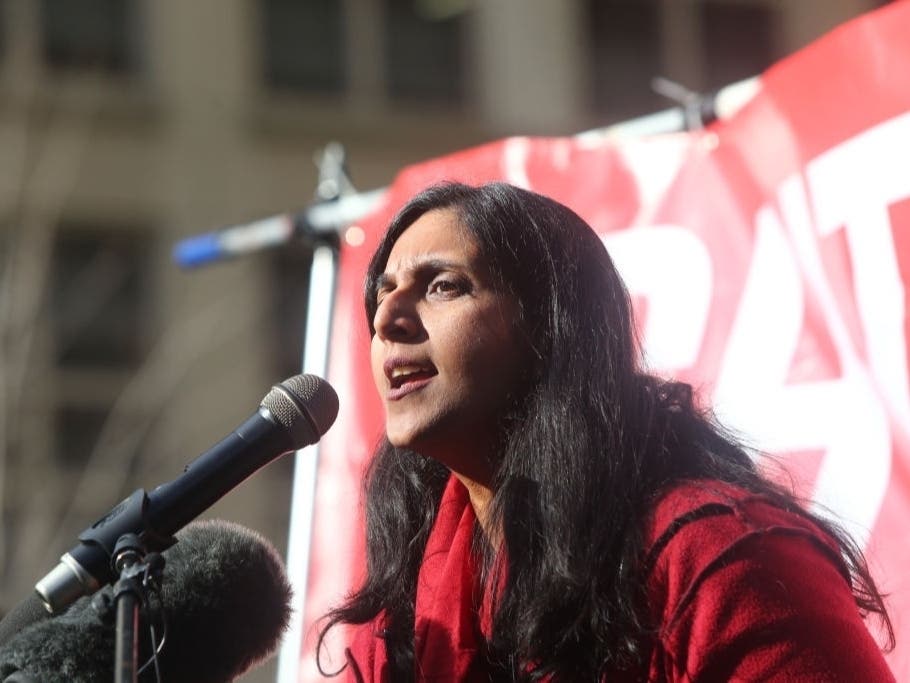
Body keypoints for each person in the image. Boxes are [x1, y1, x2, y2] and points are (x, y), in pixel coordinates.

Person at [318, 182, 894, 681]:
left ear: (552, 326)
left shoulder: (722, 561)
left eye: (443, 285)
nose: (386, 319)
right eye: (383, 292)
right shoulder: (397, 624)